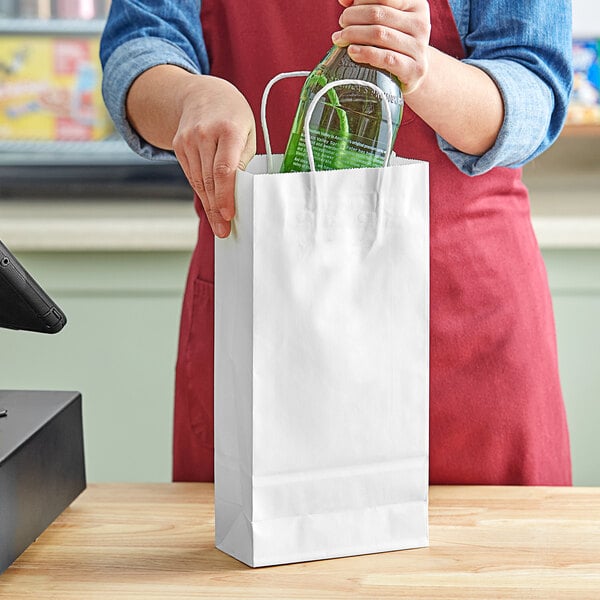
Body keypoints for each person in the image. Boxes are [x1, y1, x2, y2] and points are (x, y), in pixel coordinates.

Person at [100, 0, 573, 485]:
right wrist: (188, 97)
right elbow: (139, 46)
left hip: (459, 330)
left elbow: (536, 86)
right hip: (263, 300)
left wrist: (420, 68)